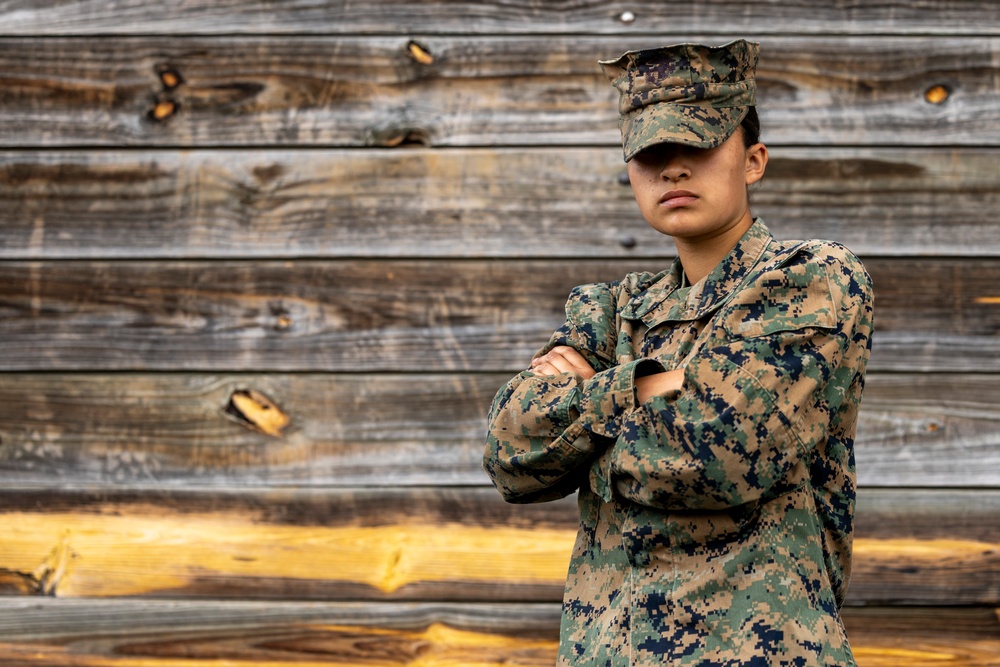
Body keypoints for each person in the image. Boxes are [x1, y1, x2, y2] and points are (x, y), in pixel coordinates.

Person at [483, 40, 874, 666]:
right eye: (651, 154)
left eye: (696, 145)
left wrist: (584, 438)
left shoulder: (811, 280)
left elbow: (720, 451)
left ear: (753, 161)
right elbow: (510, 453)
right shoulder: (612, 310)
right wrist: (646, 388)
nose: (672, 169)